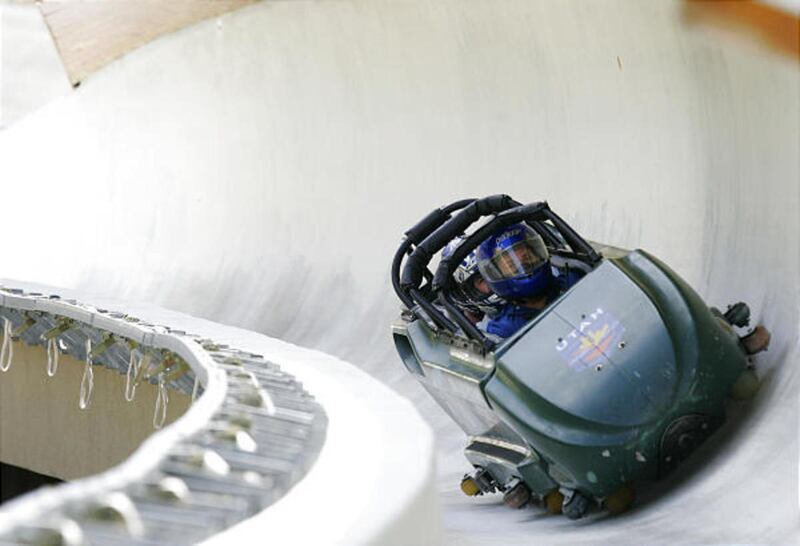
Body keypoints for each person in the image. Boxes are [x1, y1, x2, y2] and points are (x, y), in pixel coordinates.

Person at [476, 223, 581, 339]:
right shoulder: (504, 330)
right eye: (512, 265)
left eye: (527, 257)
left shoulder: (572, 282)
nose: (524, 267)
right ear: (496, 275)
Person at [441, 236, 505, 325]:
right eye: (482, 279)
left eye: (492, 270)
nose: (491, 279)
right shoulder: (488, 330)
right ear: (468, 291)